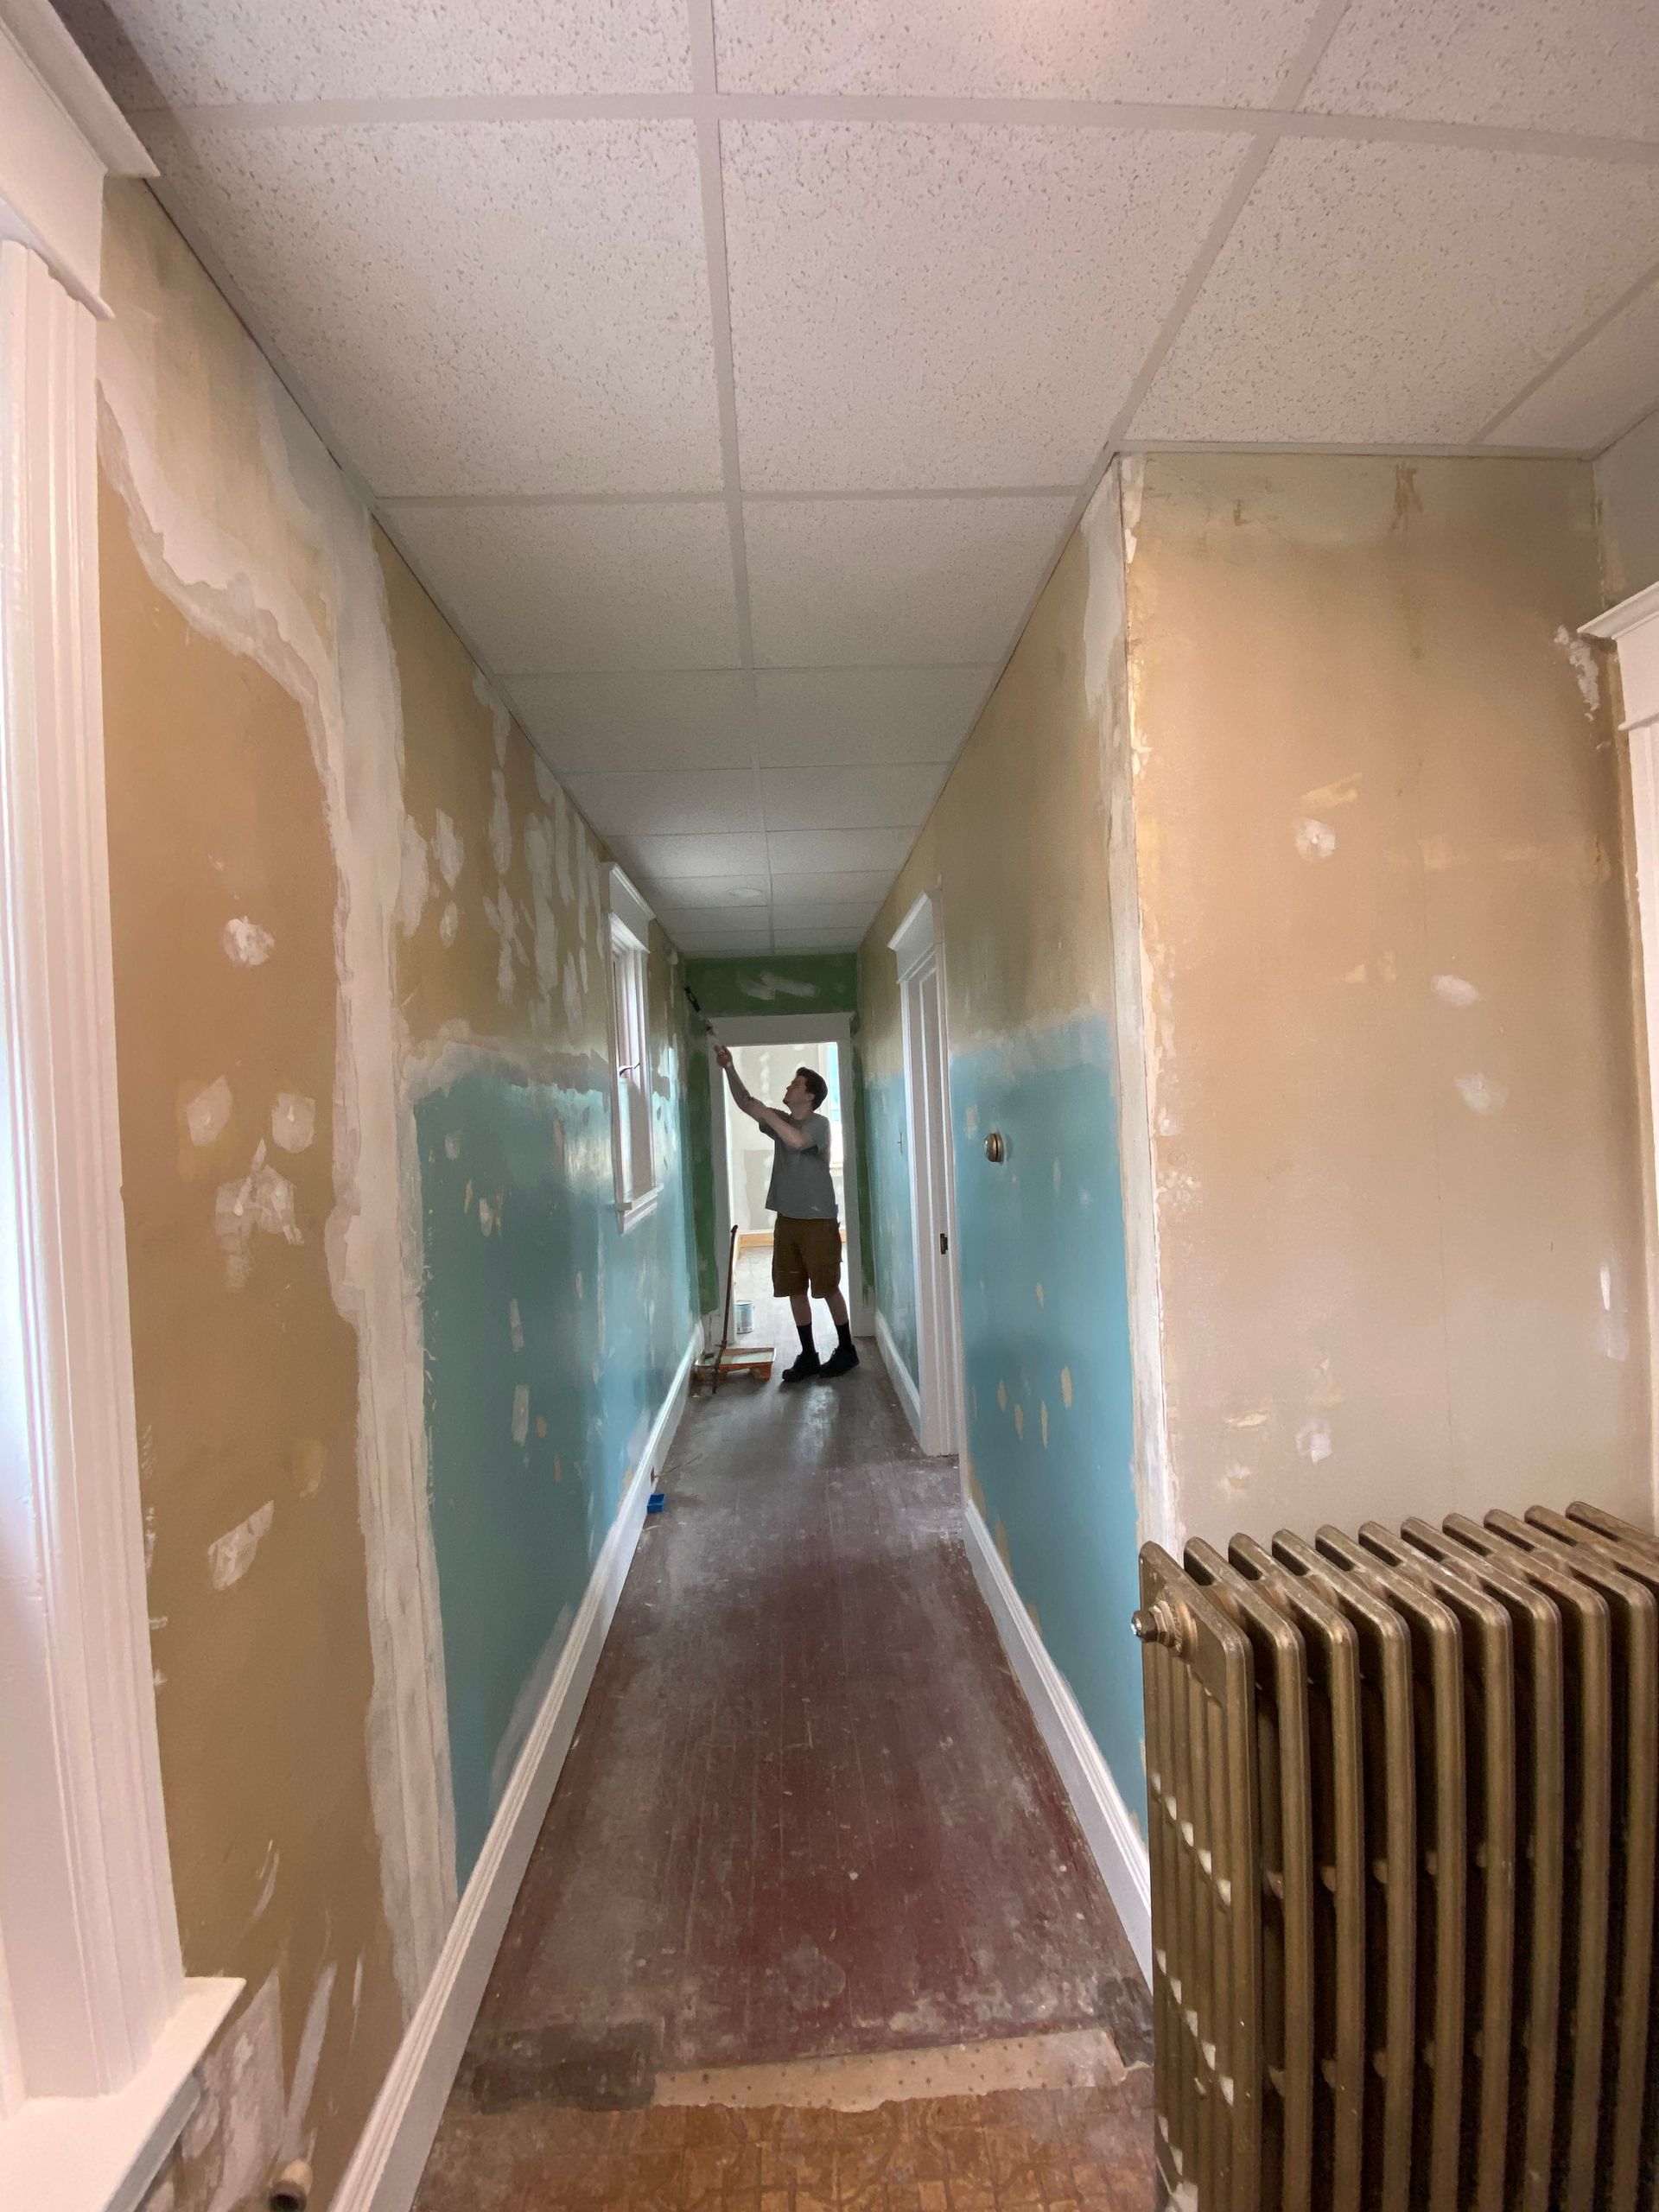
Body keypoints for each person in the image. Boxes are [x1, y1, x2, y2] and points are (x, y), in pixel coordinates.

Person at [715, 1044, 858, 1384]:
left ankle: (847, 1349)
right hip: (788, 1219)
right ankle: (809, 1355)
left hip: (818, 1220)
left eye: (794, 1085)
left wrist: (767, 1115)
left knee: (827, 1288)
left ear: (809, 1095)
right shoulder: (780, 1121)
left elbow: (796, 1141)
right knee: (794, 1288)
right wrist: (729, 1068)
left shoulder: (819, 1124)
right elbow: (745, 1102)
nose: (787, 1089)